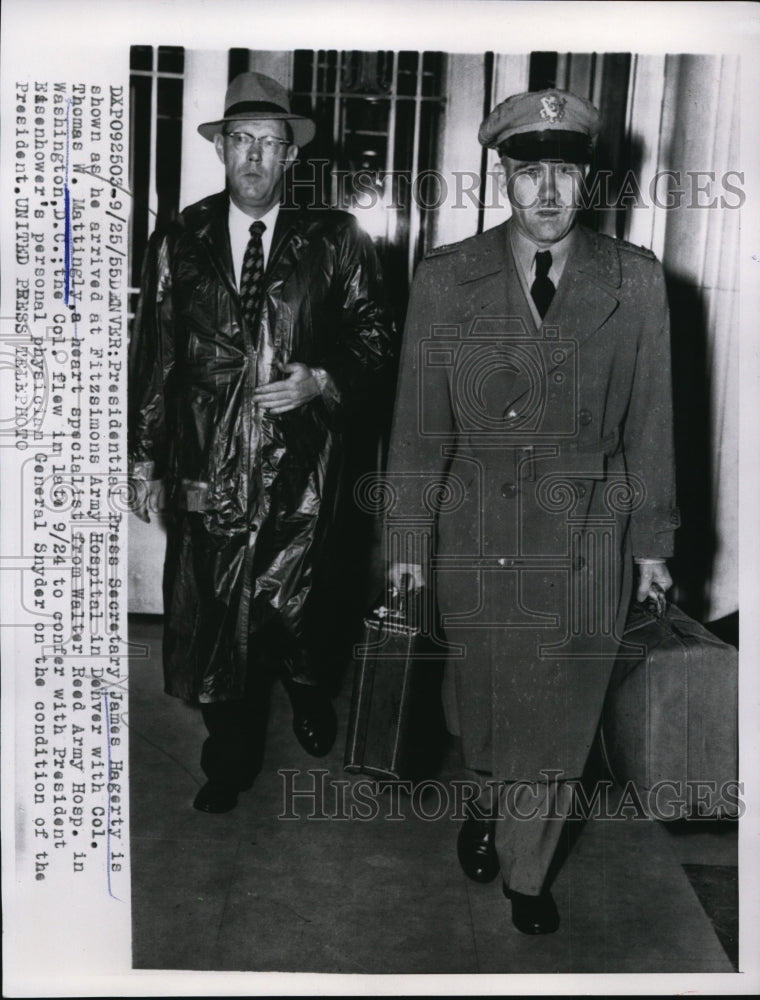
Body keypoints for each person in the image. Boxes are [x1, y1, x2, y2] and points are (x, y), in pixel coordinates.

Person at [386, 89, 679, 934]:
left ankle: (529, 868)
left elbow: (652, 424)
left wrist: (652, 544)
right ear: (503, 180)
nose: (546, 193)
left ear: (588, 181)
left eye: (563, 171)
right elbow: (417, 426)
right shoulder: (447, 279)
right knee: (479, 702)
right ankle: (484, 798)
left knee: (564, 712)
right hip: (476, 525)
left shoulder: (637, 283)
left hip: (590, 529)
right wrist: (406, 540)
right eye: (527, 173)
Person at [128, 71, 395, 814]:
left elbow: (378, 339)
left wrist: (323, 378)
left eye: (267, 143)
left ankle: (309, 690)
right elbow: (156, 354)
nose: (252, 157)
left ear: (290, 159)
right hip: (208, 460)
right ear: (222, 151)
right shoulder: (181, 236)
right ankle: (229, 760)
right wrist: (144, 456)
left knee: (301, 610)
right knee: (216, 617)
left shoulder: (335, 238)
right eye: (239, 140)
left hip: (303, 465)